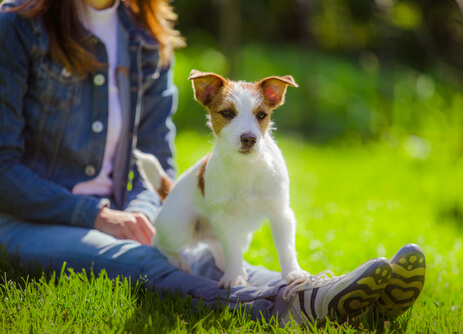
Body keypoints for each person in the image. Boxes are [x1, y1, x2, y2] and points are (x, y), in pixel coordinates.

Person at [0, 0, 426, 327]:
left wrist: (143, 213)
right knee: (142, 261)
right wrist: (97, 215)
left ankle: (321, 292)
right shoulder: (17, 26)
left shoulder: (146, 37)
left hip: (126, 215)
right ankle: (283, 308)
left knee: (213, 258)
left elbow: (156, 151)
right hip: (27, 220)